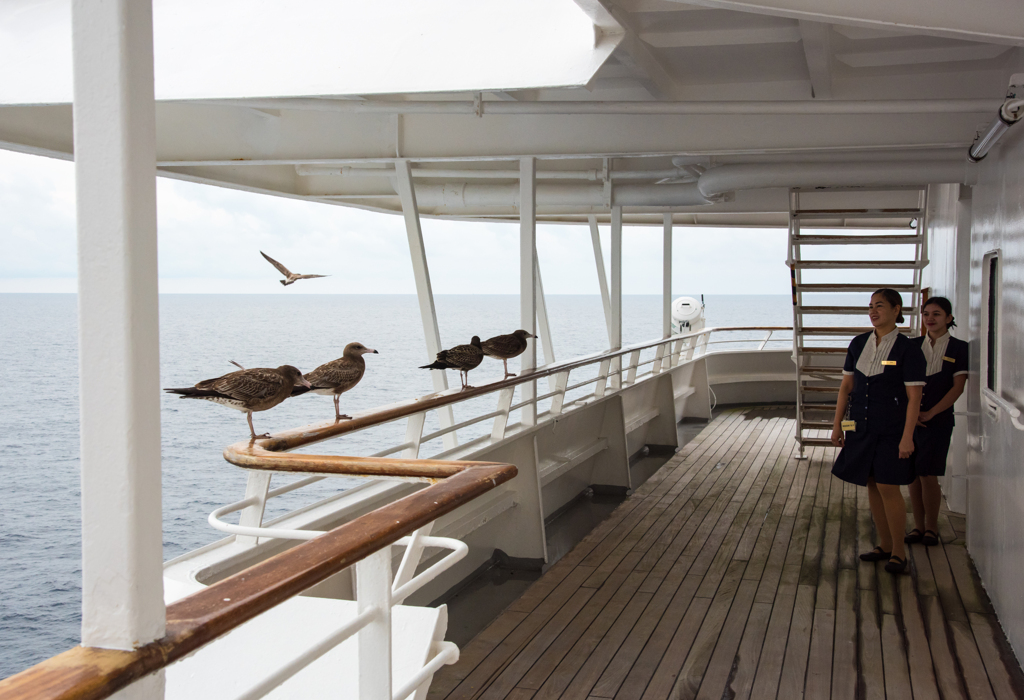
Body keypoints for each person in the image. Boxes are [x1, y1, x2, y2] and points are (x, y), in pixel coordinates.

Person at [831, 289, 926, 574]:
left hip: (892, 429)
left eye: (880, 306)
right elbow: (847, 388)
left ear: (897, 310)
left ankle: (899, 552)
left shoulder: (908, 349)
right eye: (870, 306)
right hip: (860, 426)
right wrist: (837, 424)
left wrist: (908, 436)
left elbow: (914, 398)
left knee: (888, 485)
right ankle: (884, 544)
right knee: (871, 482)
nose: (873, 311)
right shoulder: (859, 343)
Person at [905, 297, 968, 547]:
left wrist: (930, 413)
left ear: (949, 318)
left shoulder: (959, 348)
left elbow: (958, 388)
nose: (930, 318)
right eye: (926, 313)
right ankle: (918, 527)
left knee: (929, 474)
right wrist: (911, 416)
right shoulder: (913, 346)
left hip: (939, 421)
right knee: (912, 474)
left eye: (937, 314)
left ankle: (932, 527)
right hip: (911, 420)